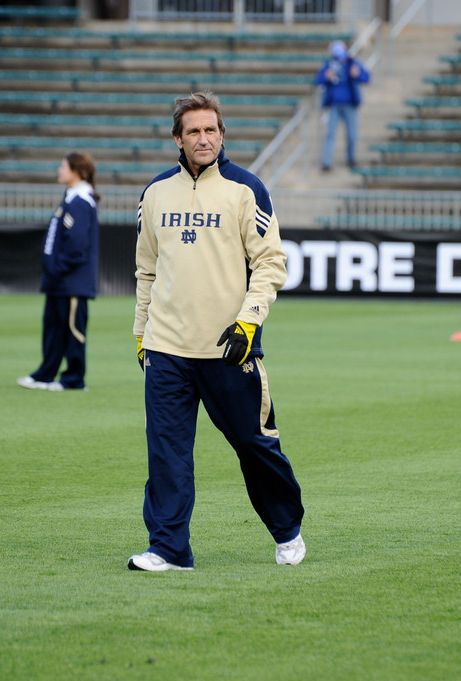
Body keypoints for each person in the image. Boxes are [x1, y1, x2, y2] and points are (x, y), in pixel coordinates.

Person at [129, 91, 305, 571]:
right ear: (177, 139)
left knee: (254, 445)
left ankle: (287, 527)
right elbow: (146, 271)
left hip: (231, 348)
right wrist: (142, 332)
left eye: (211, 130)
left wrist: (249, 321)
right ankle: (168, 548)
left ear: (222, 135)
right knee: (166, 453)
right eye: (193, 131)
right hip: (166, 349)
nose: (203, 138)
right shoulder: (154, 193)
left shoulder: (247, 190)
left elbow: (271, 263)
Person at [17, 152, 100, 392]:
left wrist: (56, 268)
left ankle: (74, 379)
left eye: (63, 166)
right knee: (53, 330)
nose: (58, 170)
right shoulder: (71, 199)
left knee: (73, 330)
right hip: (59, 281)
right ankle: (45, 374)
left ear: (76, 170)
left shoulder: (81, 202)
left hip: (71, 282)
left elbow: (77, 246)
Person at [314, 40, 370, 172]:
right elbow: (318, 80)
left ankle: (351, 158)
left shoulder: (353, 63)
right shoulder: (328, 64)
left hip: (350, 105)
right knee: (330, 134)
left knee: (352, 135)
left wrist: (358, 74)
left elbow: (366, 77)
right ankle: (326, 162)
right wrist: (326, 77)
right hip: (334, 105)